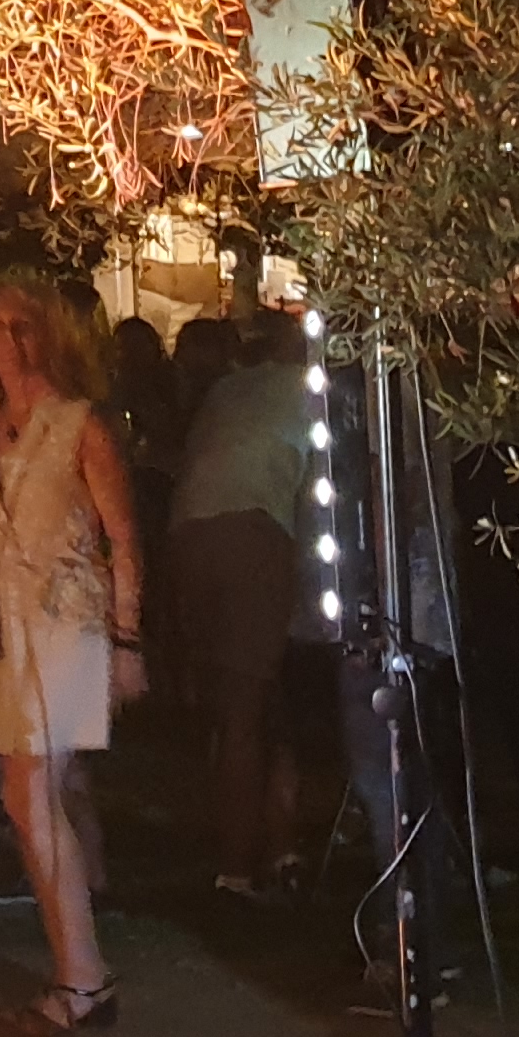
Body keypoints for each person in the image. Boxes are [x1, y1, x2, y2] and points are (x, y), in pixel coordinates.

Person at [0, 281, 145, 1034]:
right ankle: (80, 969)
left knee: (31, 792)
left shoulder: (79, 424)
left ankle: (83, 978)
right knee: (26, 797)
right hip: (6, 626)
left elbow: (122, 538)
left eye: (22, 326)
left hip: (69, 620)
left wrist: (128, 639)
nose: (11, 341)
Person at [169, 315, 308, 900]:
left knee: (234, 702)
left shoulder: (230, 389)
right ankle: (240, 865)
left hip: (189, 533)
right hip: (256, 533)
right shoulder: (313, 390)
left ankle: (265, 841)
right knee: (250, 708)